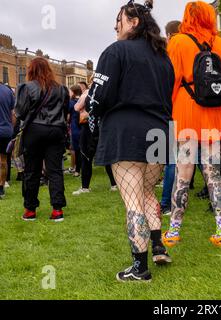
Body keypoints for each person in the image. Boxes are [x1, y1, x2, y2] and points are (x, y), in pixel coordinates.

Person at [86, 0, 174, 282]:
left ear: (133, 22)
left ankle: (140, 267)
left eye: (119, 22)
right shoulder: (163, 56)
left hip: (127, 131)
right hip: (159, 130)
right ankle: (158, 245)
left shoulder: (115, 51)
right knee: (148, 193)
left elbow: (97, 97)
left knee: (133, 200)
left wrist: (92, 114)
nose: (116, 27)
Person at [163, 1, 221, 248]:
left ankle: (173, 232)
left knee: (183, 173)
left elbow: (170, 80)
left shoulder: (178, 42)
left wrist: (173, 104)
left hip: (187, 110)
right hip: (216, 112)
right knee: (213, 173)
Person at [14, 57, 70, 222]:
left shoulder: (27, 87)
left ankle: (30, 210)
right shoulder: (62, 89)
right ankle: (57, 210)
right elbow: (65, 111)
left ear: (31, 70)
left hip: (35, 130)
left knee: (32, 170)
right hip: (56, 130)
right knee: (55, 170)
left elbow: (21, 112)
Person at [73, 82, 117, 195]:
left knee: (90, 157)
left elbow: (77, 107)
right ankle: (113, 184)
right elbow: (77, 107)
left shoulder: (89, 93)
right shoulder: (104, 92)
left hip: (95, 127)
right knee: (99, 157)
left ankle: (86, 187)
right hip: (99, 127)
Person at [160, 20, 181, 216]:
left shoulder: (169, 51)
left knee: (171, 160)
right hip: (193, 108)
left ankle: (166, 203)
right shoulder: (194, 46)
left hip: (173, 109)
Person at [0, 83, 15, 199]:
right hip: (6, 130)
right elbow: (13, 114)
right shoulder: (7, 91)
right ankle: (1, 188)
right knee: (3, 160)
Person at [68, 85, 82, 177]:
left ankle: (77, 170)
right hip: (83, 127)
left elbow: (68, 115)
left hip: (75, 127)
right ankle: (80, 168)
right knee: (82, 150)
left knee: (76, 149)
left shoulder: (71, 102)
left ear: (73, 92)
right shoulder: (83, 100)